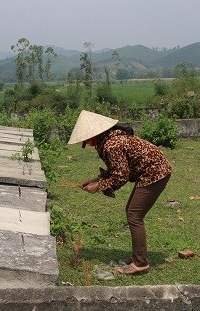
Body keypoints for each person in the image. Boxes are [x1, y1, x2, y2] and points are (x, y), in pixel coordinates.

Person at [68, 110, 172, 275]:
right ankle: (138, 257)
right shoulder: (108, 139)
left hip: (155, 173)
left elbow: (121, 176)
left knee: (134, 215)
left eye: (85, 139)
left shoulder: (112, 144)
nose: (86, 143)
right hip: (150, 171)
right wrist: (96, 179)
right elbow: (117, 168)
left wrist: (99, 186)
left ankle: (140, 264)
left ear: (94, 134)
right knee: (133, 213)